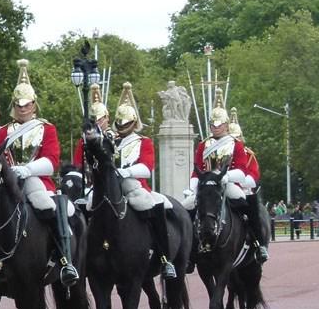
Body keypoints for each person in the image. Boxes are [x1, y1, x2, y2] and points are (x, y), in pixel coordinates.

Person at [0, 59, 79, 286]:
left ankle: (63, 258)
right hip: (6, 180)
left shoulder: (46, 128)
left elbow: (51, 161)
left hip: (34, 180)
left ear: (34, 104)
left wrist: (28, 169)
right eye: (19, 105)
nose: (22, 108)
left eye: (27, 104)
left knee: (46, 204)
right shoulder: (3, 131)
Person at [184, 98, 268, 263]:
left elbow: (243, 171)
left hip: (227, 183)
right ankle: (189, 250)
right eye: (213, 125)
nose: (215, 128)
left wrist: (226, 177)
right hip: (207, 185)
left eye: (219, 124)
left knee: (247, 203)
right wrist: (193, 187)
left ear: (225, 125)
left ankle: (258, 243)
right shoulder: (203, 145)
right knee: (187, 207)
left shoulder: (235, 145)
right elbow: (197, 169)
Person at [107, 83, 177, 278]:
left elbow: (147, 168)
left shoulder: (143, 142)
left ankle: (164, 257)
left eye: (125, 122)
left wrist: (125, 173)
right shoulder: (110, 141)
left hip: (134, 185)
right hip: (110, 185)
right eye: (119, 122)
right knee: (87, 207)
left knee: (153, 206)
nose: (121, 126)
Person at [228, 108, 272, 253]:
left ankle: (259, 243)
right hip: (223, 189)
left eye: (236, 138)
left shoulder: (249, 155)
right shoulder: (221, 152)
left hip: (243, 190)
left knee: (253, 212)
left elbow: (253, 177)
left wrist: (239, 181)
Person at [71, 83, 110, 169]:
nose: (96, 123)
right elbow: (78, 164)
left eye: (99, 120)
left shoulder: (114, 137)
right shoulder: (84, 141)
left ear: (106, 118)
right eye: (94, 121)